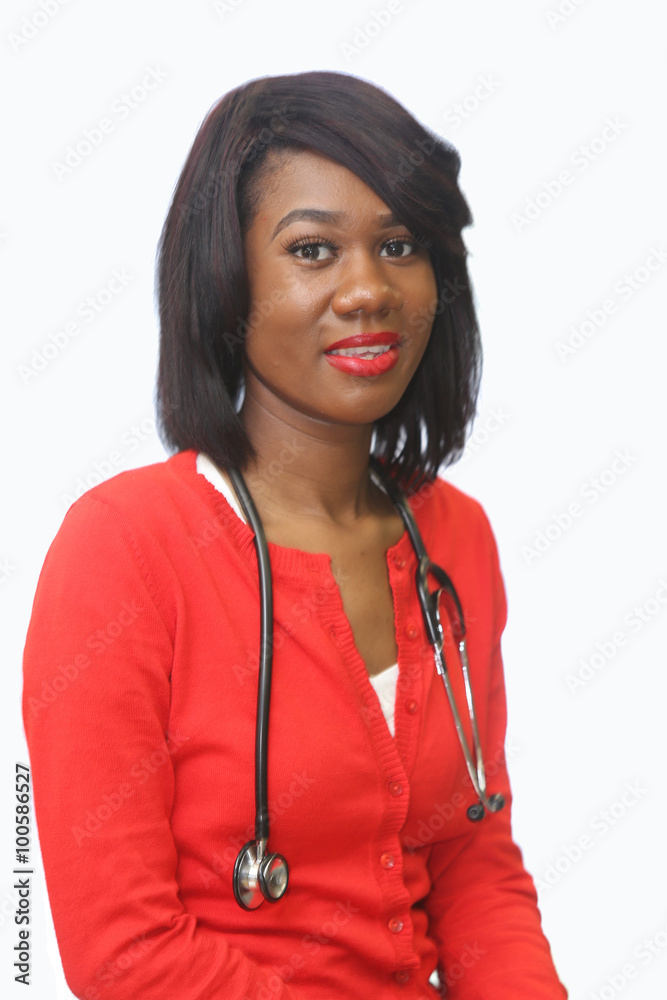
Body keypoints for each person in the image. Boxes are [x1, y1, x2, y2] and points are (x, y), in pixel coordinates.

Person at [22, 71, 568, 999]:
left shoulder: (454, 538)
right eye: (312, 250)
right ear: (226, 279)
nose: (368, 290)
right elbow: (126, 954)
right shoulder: (122, 549)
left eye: (399, 245)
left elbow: (473, 862)